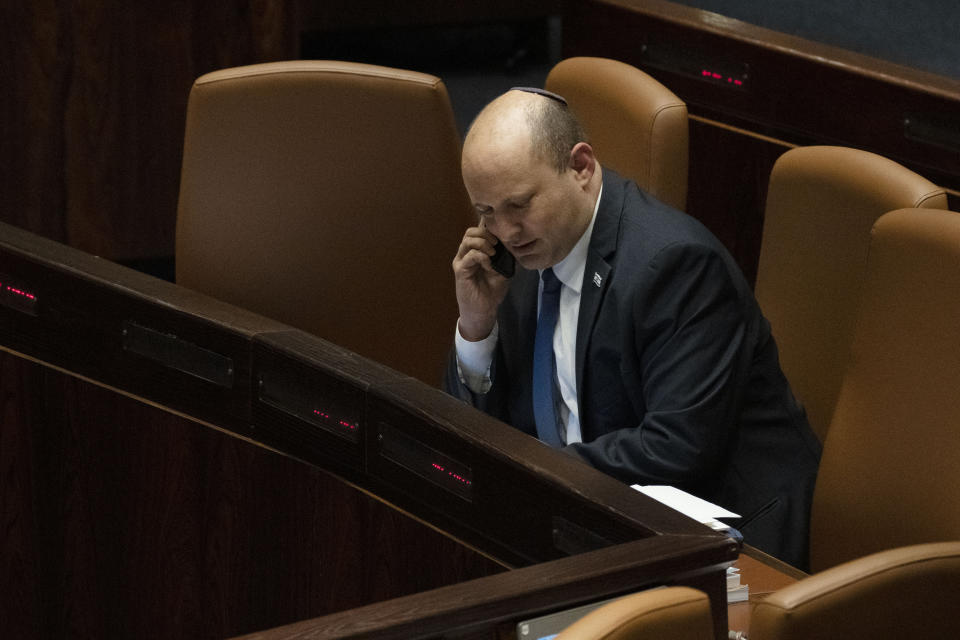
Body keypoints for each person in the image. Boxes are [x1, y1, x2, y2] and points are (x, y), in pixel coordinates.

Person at [443, 88, 821, 569]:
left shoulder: (674, 266)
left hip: (724, 538)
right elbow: (468, 428)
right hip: (584, 517)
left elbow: (675, 447)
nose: (506, 231)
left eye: (518, 204)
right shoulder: (516, 257)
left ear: (581, 167)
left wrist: (533, 474)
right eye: (487, 211)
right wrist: (477, 327)